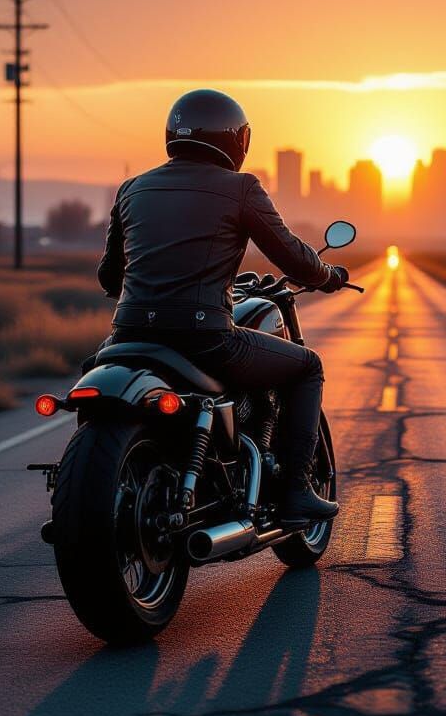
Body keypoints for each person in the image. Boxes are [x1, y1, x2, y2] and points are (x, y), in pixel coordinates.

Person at [96, 89, 347, 523]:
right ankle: (294, 492)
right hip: (204, 337)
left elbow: (109, 278)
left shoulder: (132, 188)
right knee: (308, 367)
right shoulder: (241, 188)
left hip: (127, 335)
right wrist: (327, 275)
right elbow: (292, 257)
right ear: (237, 139)